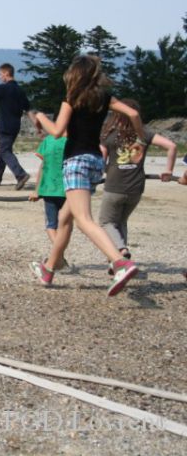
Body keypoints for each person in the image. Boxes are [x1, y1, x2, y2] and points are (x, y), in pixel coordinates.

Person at [29, 54, 143, 296]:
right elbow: (133, 115)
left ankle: (119, 262)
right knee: (64, 218)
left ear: (74, 75)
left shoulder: (70, 99)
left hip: (76, 162)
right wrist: (140, 139)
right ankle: (49, 268)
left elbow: (58, 132)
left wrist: (40, 118)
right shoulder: (104, 98)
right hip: (94, 162)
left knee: (83, 219)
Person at [98, 98, 177, 262]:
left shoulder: (109, 135)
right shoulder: (144, 134)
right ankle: (120, 262)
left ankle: (121, 250)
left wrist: (103, 169)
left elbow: (101, 162)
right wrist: (168, 170)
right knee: (121, 222)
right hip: (136, 187)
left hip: (114, 185)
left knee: (106, 222)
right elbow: (172, 146)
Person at [27, 134, 73, 271]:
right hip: (70, 189)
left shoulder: (49, 140)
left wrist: (37, 190)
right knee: (66, 225)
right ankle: (59, 257)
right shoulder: (76, 140)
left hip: (49, 189)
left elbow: (43, 166)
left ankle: (59, 257)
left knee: (51, 225)